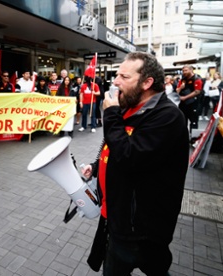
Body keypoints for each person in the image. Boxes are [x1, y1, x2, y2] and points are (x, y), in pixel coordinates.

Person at [81, 52, 189, 275]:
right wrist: (97, 164)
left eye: (124, 77)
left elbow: (131, 157)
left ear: (147, 83)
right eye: (117, 75)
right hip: (116, 220)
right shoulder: (127, 106)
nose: (115, 81)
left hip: (142, 230)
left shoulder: (167, 117)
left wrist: (110, 115)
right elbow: (115, 145)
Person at [176, 65, 202, 135]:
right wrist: (181, 88)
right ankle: (184, 138)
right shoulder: (182, 80)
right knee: (183, 122)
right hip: (183, 105)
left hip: (193, 104)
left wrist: (185, 97)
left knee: (193, 122)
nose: (184, 72)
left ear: (191, 70)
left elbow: (197, 91)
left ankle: (193, 138)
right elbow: (177, 91)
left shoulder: (197, 79)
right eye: (183, 71)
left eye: (186, 70)